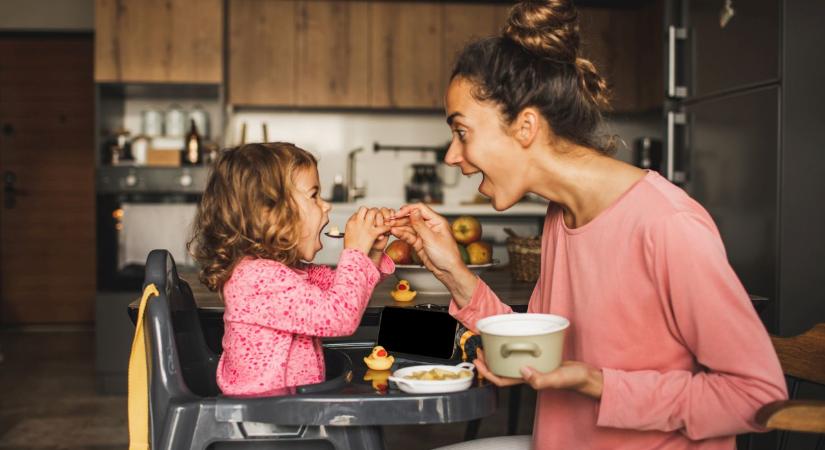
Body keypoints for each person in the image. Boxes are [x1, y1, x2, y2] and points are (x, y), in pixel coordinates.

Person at [389, 1, 787, 448]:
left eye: (462, 132)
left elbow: (757, 396)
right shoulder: (561, 215)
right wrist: (452, 272)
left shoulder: (667, 225)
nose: (451, 156)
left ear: (525, 127)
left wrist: (597, 382)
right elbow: (538, 350)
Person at [189, 142, 396, 396]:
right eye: (314, 195)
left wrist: (370, 252)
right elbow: (340, 315)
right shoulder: (258, 279)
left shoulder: (287, 271)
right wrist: (355, 252)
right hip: (267, 418)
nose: (326, 205)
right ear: (269, 214)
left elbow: (345, 290)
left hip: (289, 407)